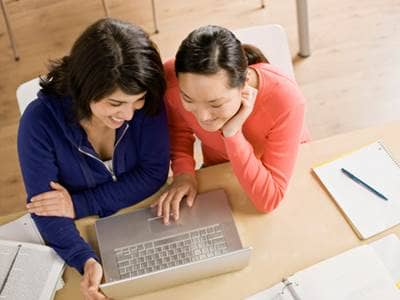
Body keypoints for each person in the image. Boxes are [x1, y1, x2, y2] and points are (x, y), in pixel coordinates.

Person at [17, 18, 169, 300]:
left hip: (148, 223)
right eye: (115, 103)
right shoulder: (38, 124)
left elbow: (154, 173)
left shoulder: (148, 99)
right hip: (86, 234)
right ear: (85, 89)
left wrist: (78, 203)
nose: (128, 115)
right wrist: (85, 259)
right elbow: (46, 209)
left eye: (137, 101)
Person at [152, 25, 310, 224]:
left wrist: (233, 134)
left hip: (283, 170)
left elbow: (269, 200)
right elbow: (179, 129)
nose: (203, 117)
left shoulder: (286, 100)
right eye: (189, 100)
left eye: (215, 103)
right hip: (222, 168)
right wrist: (183, 173)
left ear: (244, 84)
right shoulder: (172, 78)